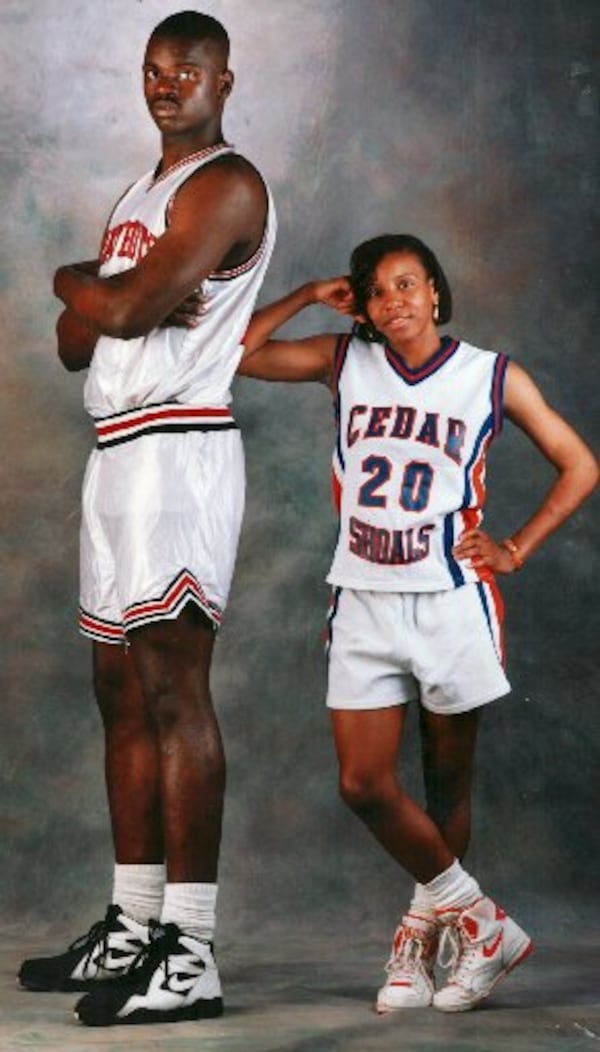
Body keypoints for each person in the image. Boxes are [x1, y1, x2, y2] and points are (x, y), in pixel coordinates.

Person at [237, 233, 598, 1013]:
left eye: (409, 283)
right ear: (361, 306)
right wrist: (304, 293)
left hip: (449, 600)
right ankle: (481, 921)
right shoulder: (344, 360)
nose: (395, 299)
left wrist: (516, 549)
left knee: (444, 781)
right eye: (377, 290)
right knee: (364, 783)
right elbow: (233, 353)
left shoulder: (490, 374)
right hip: (362, 596)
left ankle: (424, 941)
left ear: (436, 290)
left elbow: (581, 462)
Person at [18, 10, 276, 1028]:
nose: (169, 85)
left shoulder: (228, 183)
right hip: (115, 453)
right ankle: (131, 924)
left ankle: (192, 948)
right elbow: (74, 342)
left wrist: (92, 283)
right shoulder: (145, 194)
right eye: (155, 70)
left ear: (225, 80)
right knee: (119, 693)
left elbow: (112, 312)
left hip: (180, 448)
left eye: (189, 71)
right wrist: (104, 289)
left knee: (174, 690)